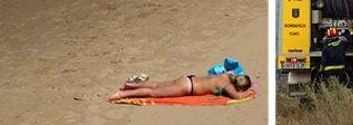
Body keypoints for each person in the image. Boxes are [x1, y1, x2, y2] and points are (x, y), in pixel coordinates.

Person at [109, 71, 254, 101]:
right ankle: (121, 94)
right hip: (187, 87)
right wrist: (250, 92)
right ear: (239, 86)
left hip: (187, 78)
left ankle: (130, 85)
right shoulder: (227, 85)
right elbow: (238, 97)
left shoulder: (228, 75)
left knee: (156, 84)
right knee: (153, 93)